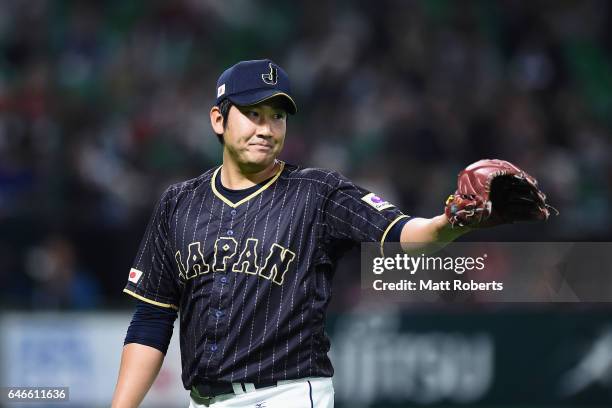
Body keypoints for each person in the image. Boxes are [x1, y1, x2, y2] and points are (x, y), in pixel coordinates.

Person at [111, 59, 472, 408]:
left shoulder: (316, 192)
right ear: (218, 119)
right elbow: (152, 319)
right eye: (253, 114)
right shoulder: (179, 204)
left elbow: (406, 235)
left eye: (277, 117)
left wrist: (454, 221)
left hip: (286, 396)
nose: (266, 129)